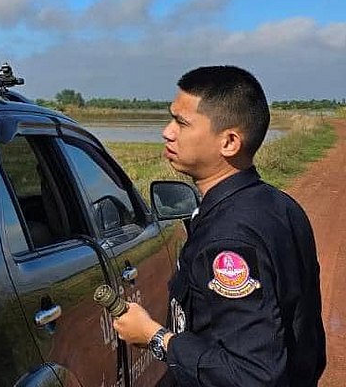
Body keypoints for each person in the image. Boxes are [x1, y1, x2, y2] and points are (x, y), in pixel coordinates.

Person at [113, 66, 325, 386]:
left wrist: (156, 337)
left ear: (228, 142)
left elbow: (250, 373)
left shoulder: (231, 238)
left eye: (182, 123)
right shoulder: (278, 205)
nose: (167, 132)